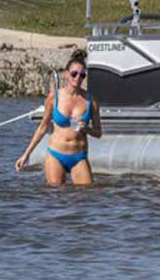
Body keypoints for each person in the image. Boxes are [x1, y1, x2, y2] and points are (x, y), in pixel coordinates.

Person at [16, 48, 102, 186]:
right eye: (74, 74)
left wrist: (87, 129)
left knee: (86, 194)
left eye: (82, 75)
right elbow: (43, 127)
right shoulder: (54, 97)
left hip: (79, 156)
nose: (77, 78)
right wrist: (26, 155)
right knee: (56, 195)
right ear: (66, 74)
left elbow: (98, 133)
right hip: (56, 154)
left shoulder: (91, 100)